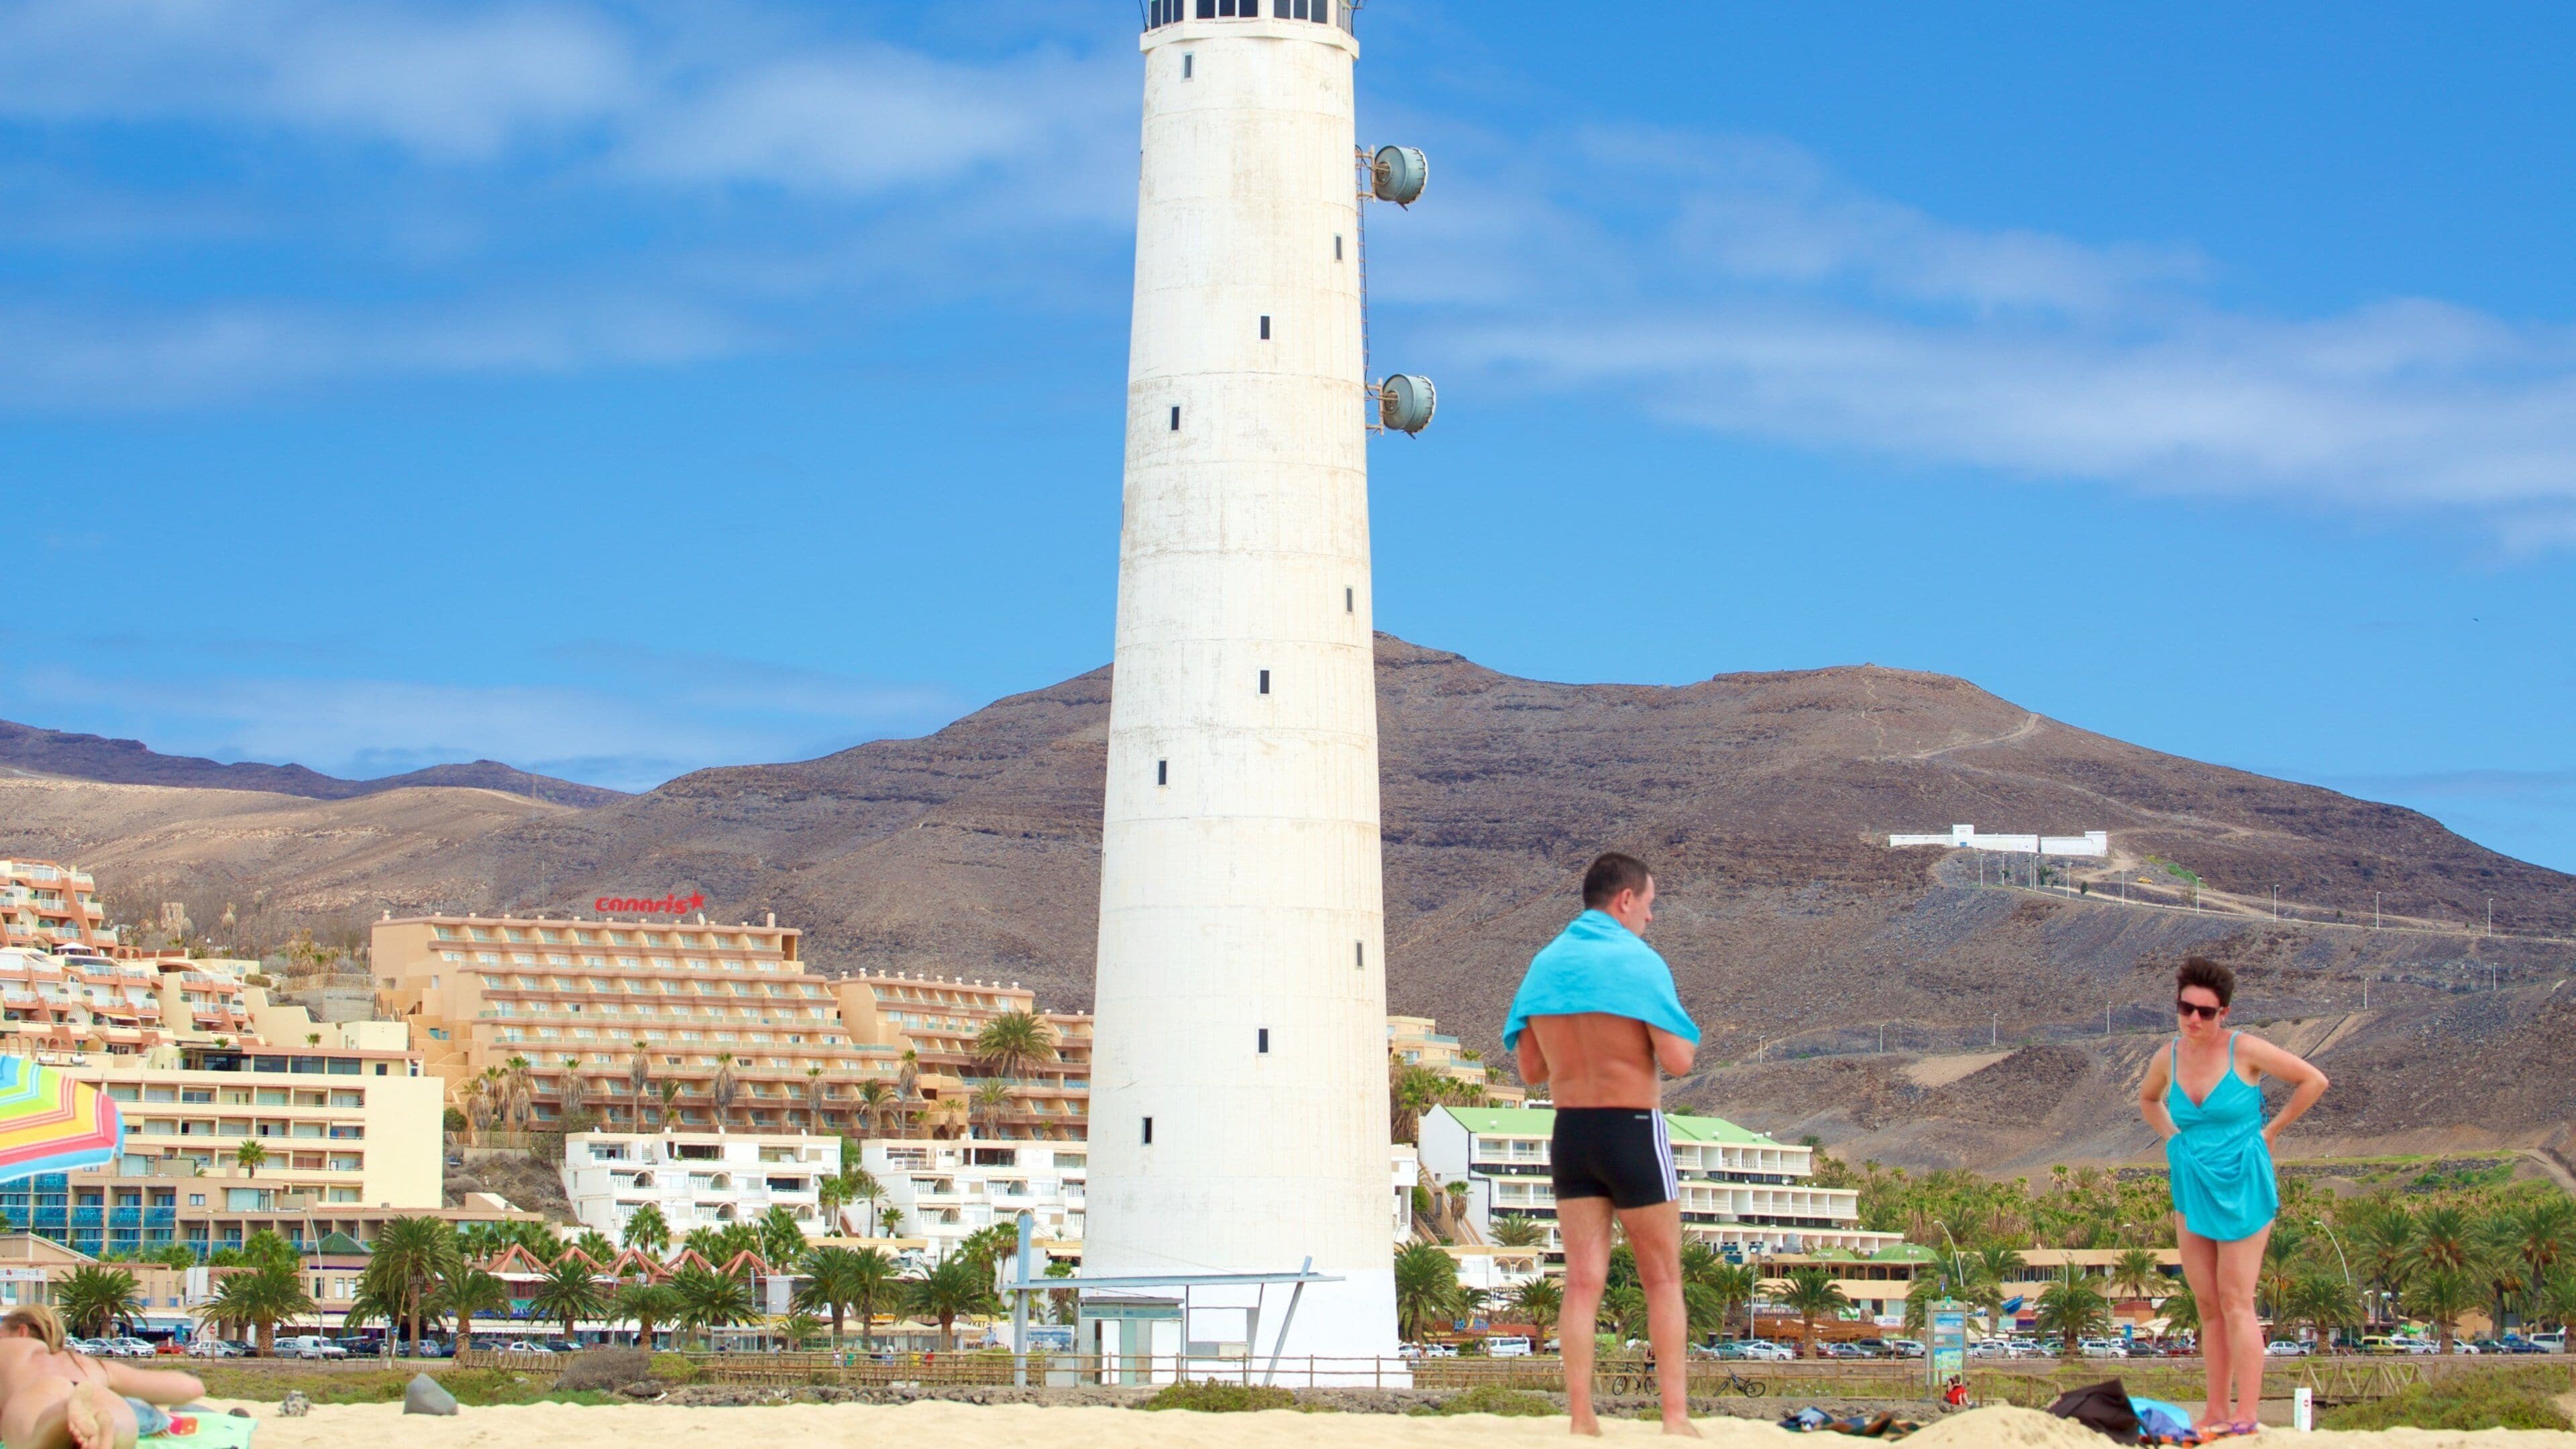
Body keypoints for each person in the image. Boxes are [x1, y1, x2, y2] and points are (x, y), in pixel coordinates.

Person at [1503, 852, 1701, 1437]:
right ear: (1625, 900)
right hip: (1631, 1130)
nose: (1650, 918)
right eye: (1649, 905)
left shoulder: (1544, 966)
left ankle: (1582, 1417)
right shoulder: (1639, 963)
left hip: (1572, 1133)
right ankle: (1675, 1418)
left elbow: (1531, 1071)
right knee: (1662, 1278)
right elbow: (1679, 1060)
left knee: (1583, 1280)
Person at [2137, 957, 2328, 1438]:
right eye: (2186, 1009)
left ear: (2225, 1012)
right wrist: (2174, 1139)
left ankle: (2247, 1412)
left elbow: (2313, 1080)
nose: (2194, 1020)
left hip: (2242, 1176)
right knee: (2206, 1303)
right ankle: (2215, 1408)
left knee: (2236, 1298)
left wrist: (2271, 1132)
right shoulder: (2169, 1057)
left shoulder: (2246, 1049)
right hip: (2191, 1177)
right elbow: (2149, 1099)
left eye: (2206, 1011)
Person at [0, 1306, 204, 1449]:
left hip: (42, 1392)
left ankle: (63, 1413)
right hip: (94, 1391)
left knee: (35, 1436)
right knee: (118, 1424)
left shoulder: (11, 1349)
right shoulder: (89, 1364)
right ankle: (106, 1432)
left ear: (22, 1331)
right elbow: (191, 1388)